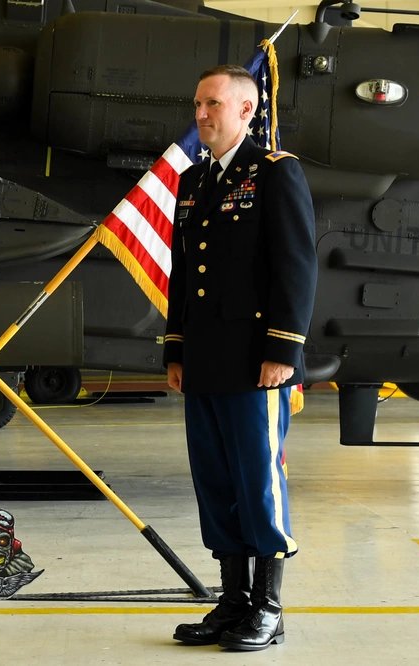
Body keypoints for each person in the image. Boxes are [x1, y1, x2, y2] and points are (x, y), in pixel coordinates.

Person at [163, 64, 317, 651]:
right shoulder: (192, 182)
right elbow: (184, 278)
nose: (200, 114)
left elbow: (296, 267)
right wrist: (176, 350)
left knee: (258, 482)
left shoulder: (275, 173)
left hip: (257, 361)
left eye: (212, 105)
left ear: (246, 110)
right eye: (198, 104)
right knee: (215, 480)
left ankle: (269, 606)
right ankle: (230, 602)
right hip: (204, 360)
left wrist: (283, 349)